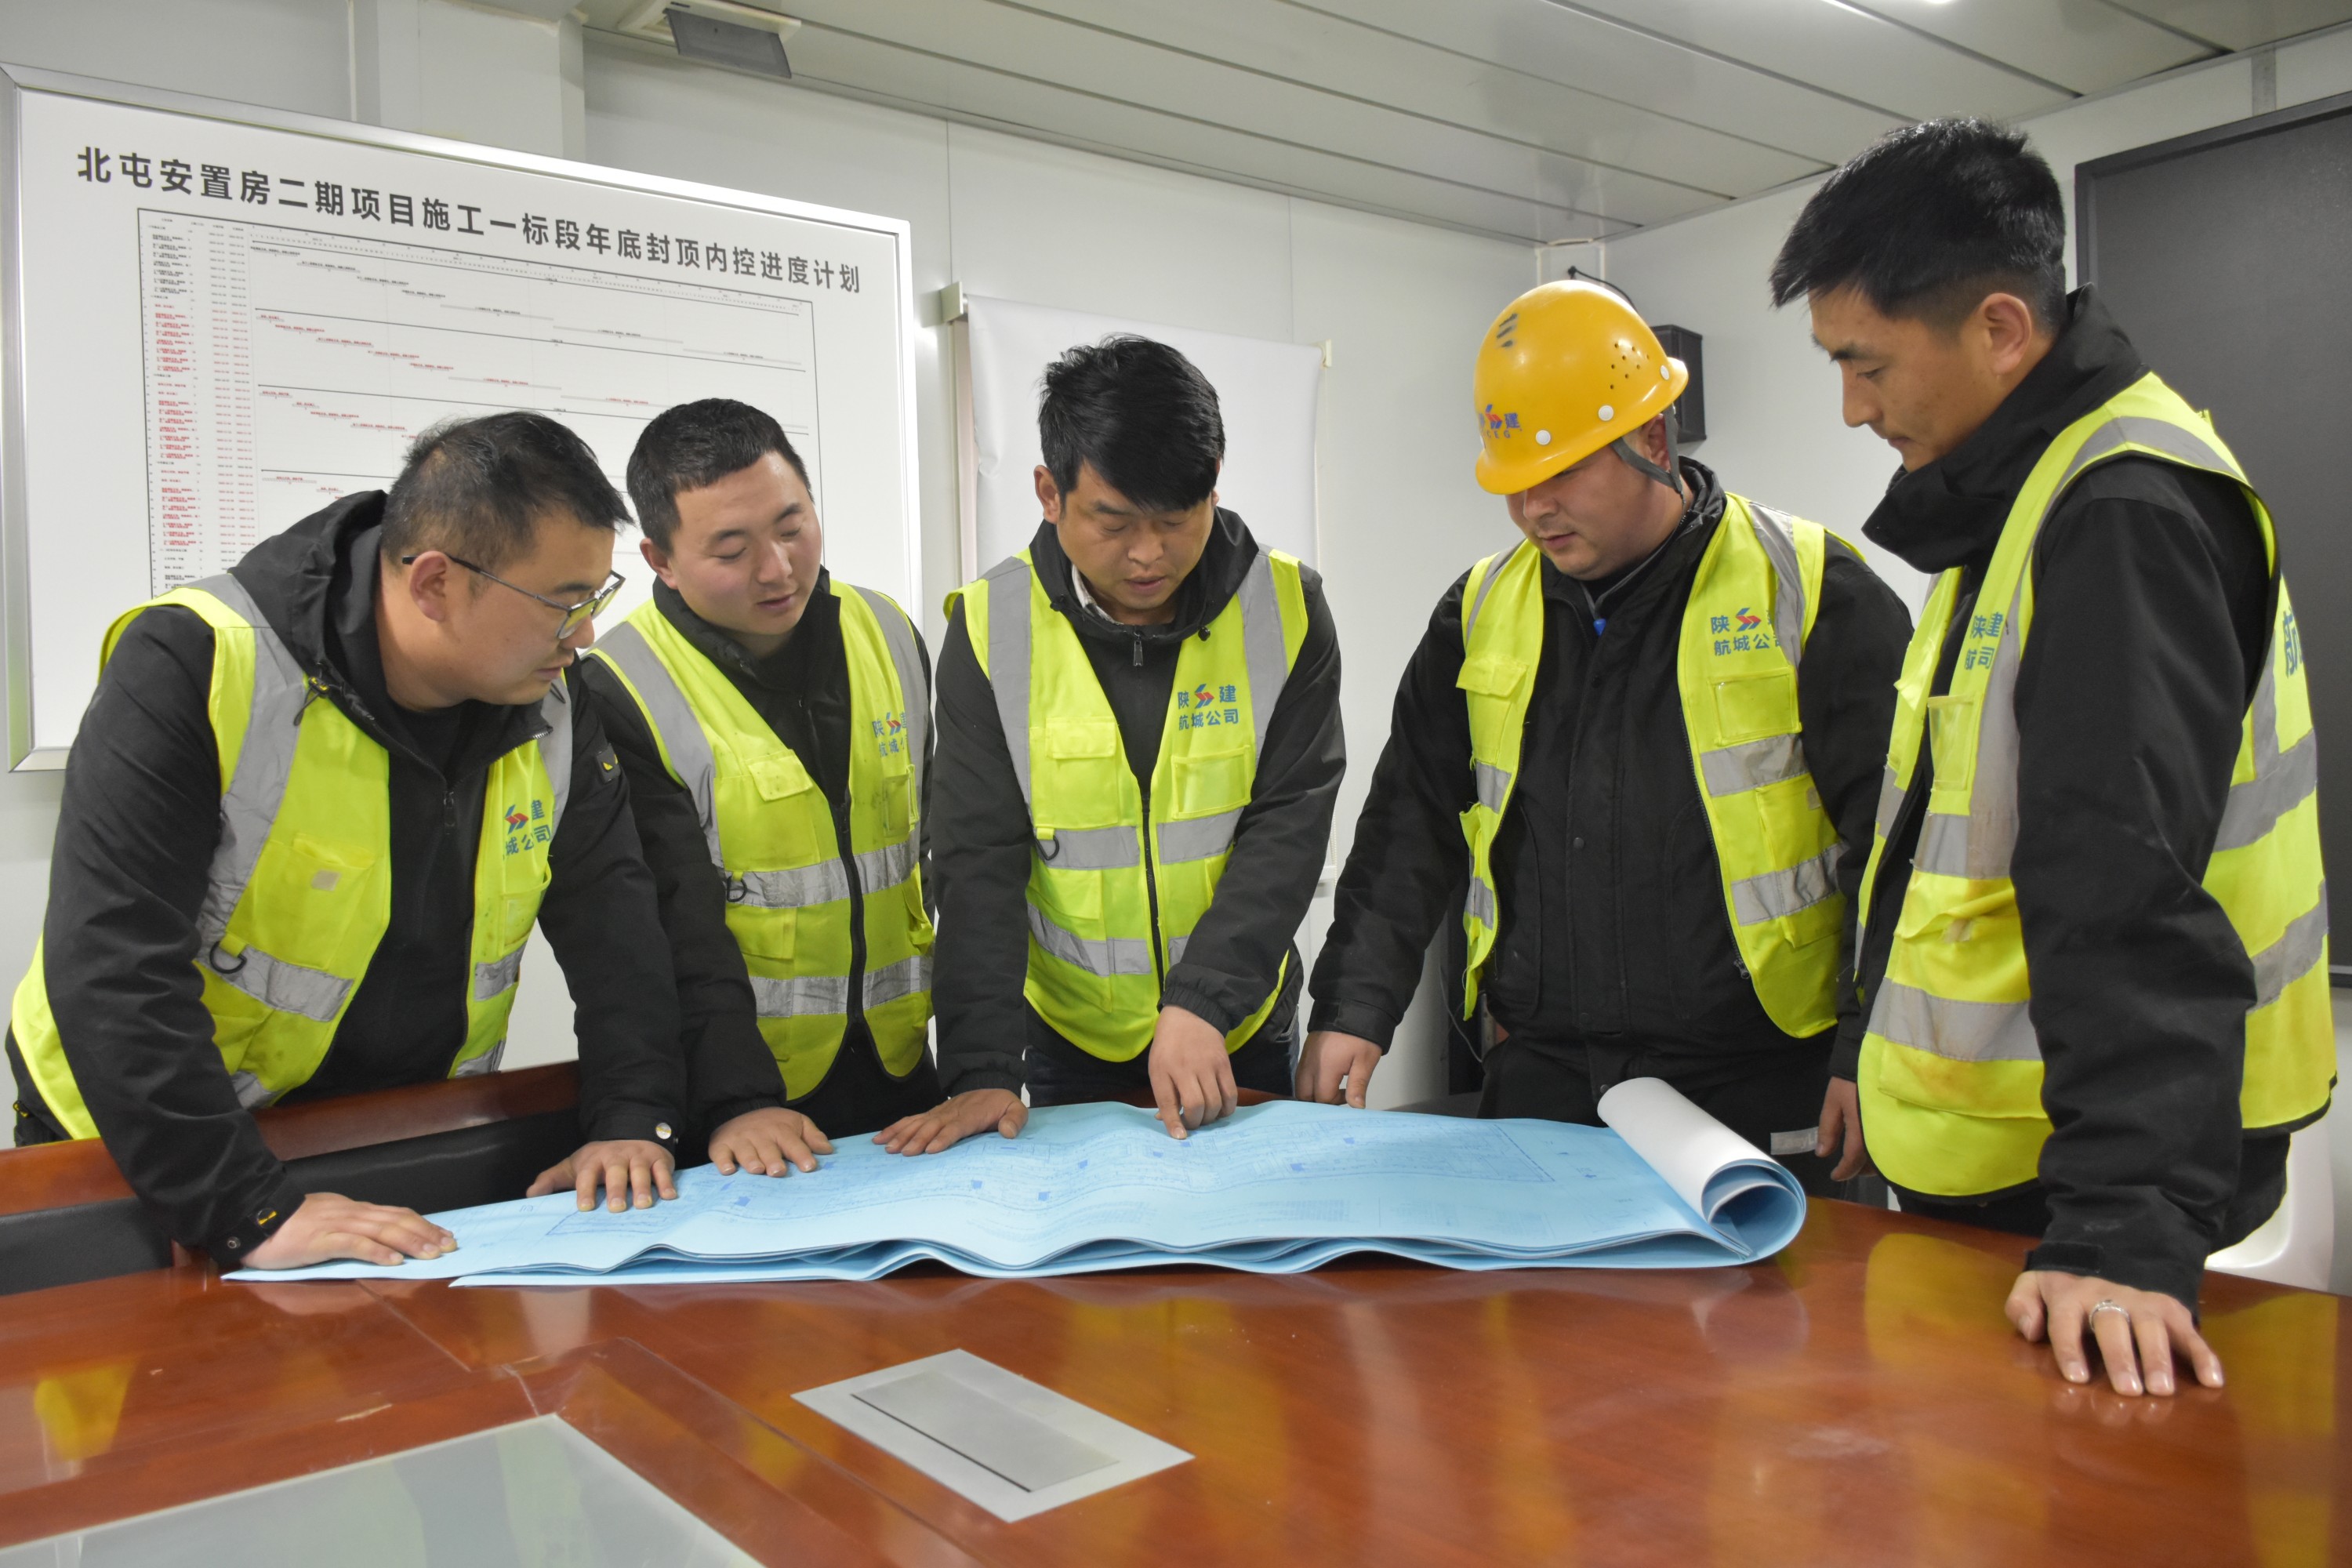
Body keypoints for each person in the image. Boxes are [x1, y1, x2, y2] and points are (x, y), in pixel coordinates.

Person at [1770, 118, 2333, 1396]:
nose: (1853, 409)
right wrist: (1866, 1051)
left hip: (2084, 1188)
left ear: (2002, 329)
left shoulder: (2119, 511)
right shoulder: (2019, 499)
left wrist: (2123, 1226)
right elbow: (1938, 841)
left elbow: (2124, 886)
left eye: (1867, 365)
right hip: (2017, 1148)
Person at [6, 412, 691, 1269]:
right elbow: (113, 962)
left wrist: (632, 1114)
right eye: (563, 603)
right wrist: (247, 1209)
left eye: (595, 598)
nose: (584, 633)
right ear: (435, 582)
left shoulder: (552, 697)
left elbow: (614, 918)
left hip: (394, 1138)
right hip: (158, 1156)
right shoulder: (196, 662)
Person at [1304, 280, 1910, 1192]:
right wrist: (1353, 1006)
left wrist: (1872, 1046)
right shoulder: (1480, 611)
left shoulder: (1810, 591)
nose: (1535, 508)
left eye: (1562, 474)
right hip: (1545, 1085)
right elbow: (1408, 826)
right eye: (1515, 484)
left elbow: (1898, 847)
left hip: (1760, 1088)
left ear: (1653, 440)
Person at [880, 336, 1343, 1151]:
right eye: (1115, 521)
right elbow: (978, 858)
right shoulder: (992, 625)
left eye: (1176, 519)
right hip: (1072, 1038)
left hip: (1236, 1022)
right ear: (1049, 493)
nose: (1148, 554)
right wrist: (983, 1066)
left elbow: (1289, 825)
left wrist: (1203, 1000)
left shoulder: (1285, 607)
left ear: (1214, 482)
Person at [577, 399, 935, 1178]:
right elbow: (668, 921)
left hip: (904, 1071)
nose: (778, 568)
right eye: (732, 550)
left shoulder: (887, 631)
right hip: (745, 1103)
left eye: (792, 526)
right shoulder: (620, 687)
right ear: (660, 560)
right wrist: (735, 1099)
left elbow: (943, 850)